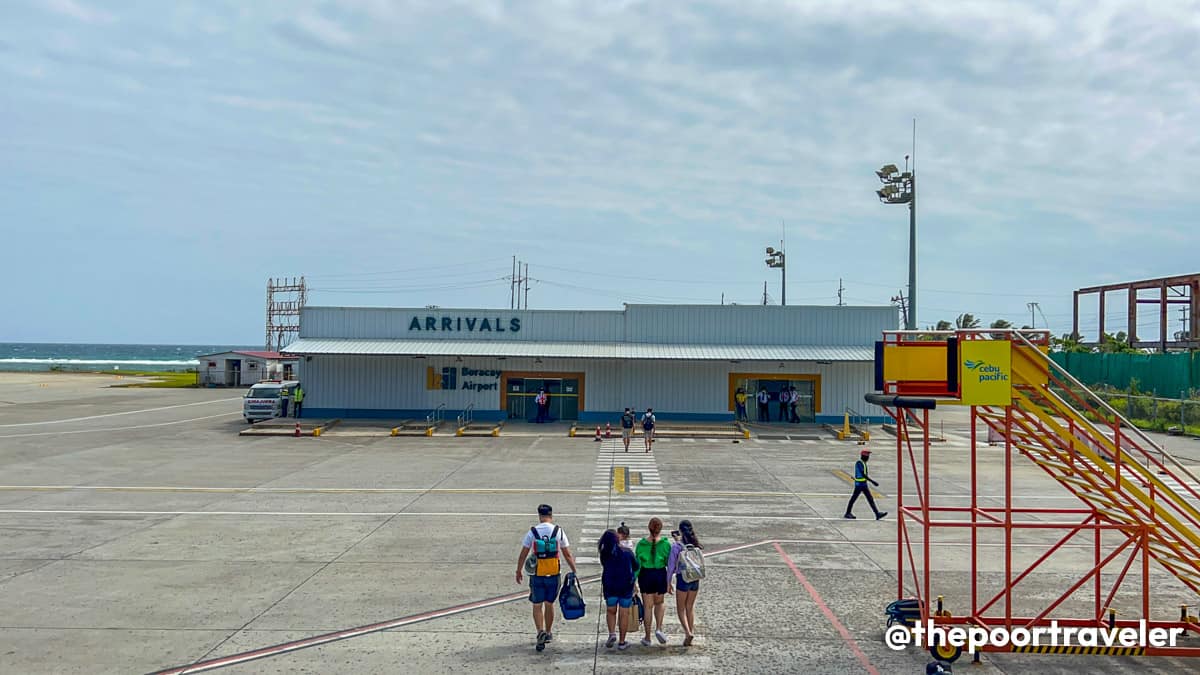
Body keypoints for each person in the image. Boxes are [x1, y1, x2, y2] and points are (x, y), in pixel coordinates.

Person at [516, 504, 578, 652]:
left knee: (537, 605)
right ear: (551, 515)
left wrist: (518, 570)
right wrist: (574, 570)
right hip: (554, 573)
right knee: (549, 604)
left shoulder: (532, 532)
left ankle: (540, 631)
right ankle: (549, 632)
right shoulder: (558, 531)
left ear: (539, 515)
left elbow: (524, 553)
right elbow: (567, 554)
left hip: (537, 574)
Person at [599, 529, 639, 650]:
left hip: (610, 586)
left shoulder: (604, 554)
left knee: (611, 611)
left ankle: (612, 633)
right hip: (625, 586)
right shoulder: (627, 552)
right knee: (624, 613)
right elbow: (636, 565)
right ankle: (622, 641)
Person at [635, 517, 671, 646]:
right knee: (659, 603)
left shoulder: (641, 544)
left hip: (646, 575)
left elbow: (637, 565)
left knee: (647, 606)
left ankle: (647, 637)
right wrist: (669, 580)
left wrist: (633, 581)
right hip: (660, 573)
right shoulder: (666, 544)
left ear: (649, 528)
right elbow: (669, 563)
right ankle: (659, 629)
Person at [667, 520, 703, 646]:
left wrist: (668, 582)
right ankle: (691, 630)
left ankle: (688, 633)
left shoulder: (676, 547)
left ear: (681, 531)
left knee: (680, 609)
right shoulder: (695, 544)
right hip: (695, 578)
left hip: (683, 578)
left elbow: (671, 566)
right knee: (689, 607)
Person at [844, 450, 888, 520]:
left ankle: (877, 514)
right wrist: (872, 481)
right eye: (867, 456)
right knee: (854, 499)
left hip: (863, 484)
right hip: (859, 485)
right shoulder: (859, 463)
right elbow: (863, 474)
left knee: (870, 499)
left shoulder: (863, 463)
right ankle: (847, 513)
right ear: (863, 456)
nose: (868, 458)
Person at [617, 522, 641, 634]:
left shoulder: (622, 546)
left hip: (622, 577)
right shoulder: (630, 544)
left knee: (621, 607)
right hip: (629, 576)